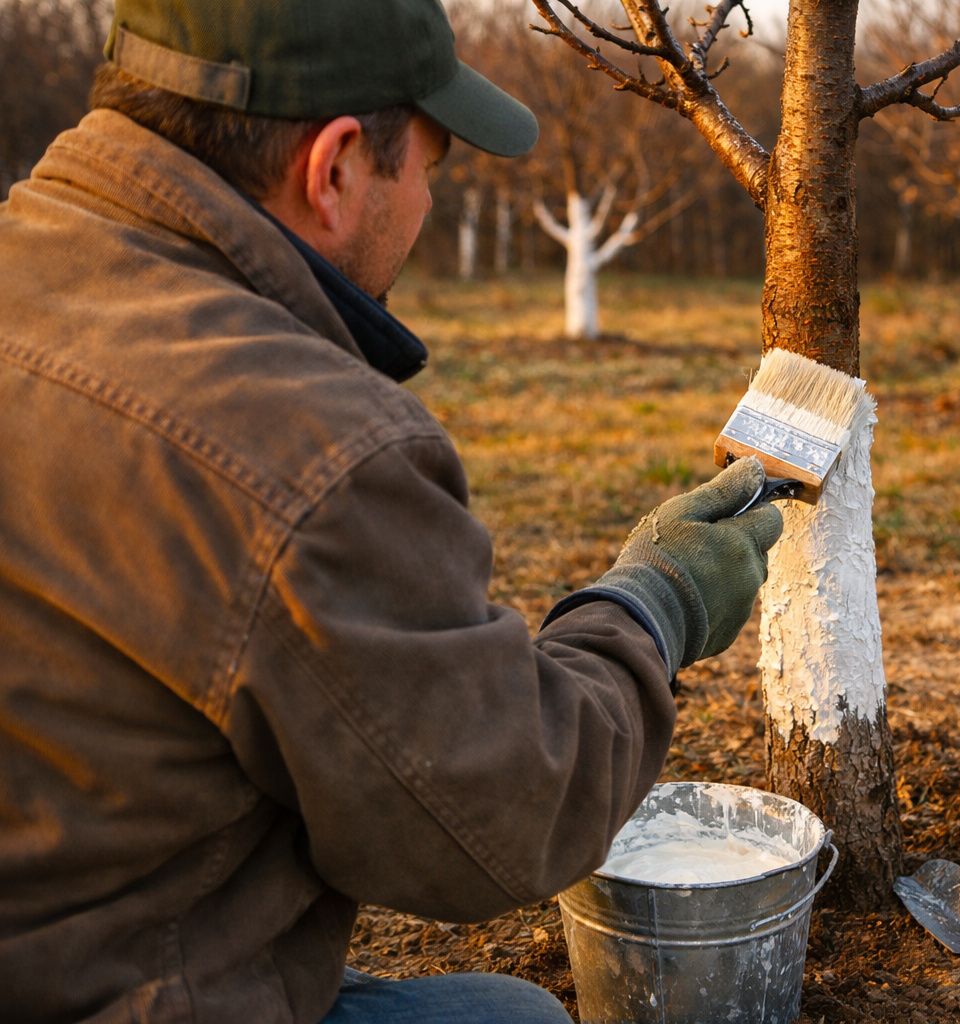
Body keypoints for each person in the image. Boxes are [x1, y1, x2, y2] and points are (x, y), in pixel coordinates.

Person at [0, 1, 784, 1021]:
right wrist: (652, 605)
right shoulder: (300, 444)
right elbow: (501, 817)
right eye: (429, 166)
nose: (425, 202)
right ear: (332, 169)